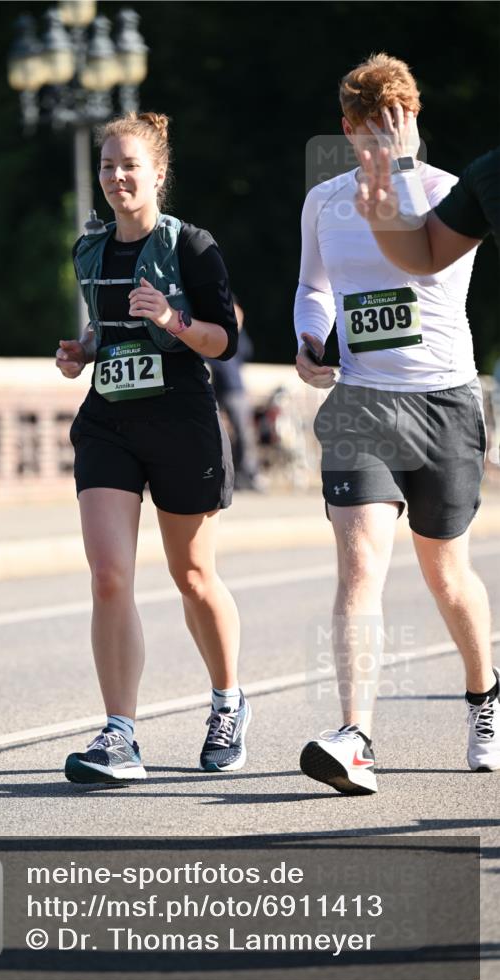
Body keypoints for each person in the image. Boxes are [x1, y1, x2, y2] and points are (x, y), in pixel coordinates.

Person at [294, 53, 499, 794]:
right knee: (358, 566)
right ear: (347, 129)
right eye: (371, 130)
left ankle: (483, 697)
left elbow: (424, 268)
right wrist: (310, 335)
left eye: (398, 125)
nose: (383, 140)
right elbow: (313, 286)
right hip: (361, 401)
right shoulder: (323, 202)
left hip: (443, 403)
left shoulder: (449, 192)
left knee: (446, 573)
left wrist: (403, 174)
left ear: (413, 121)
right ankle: (355, 735)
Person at [56, 111, 251, 785]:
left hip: (179, 417)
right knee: (109, 576)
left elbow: (223, 339)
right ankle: (119, 735)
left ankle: (227, 703)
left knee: (192, 577)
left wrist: (171, 319)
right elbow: (103, 325)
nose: (115, 176)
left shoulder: (191, 246)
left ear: (157, 174)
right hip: (108, 418)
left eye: (128, 165)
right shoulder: (89, 247)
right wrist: (83, 350)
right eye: (107, 165)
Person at [355, 132, 498, 273]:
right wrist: (381, 218)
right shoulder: (488, 172)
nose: (391, 136)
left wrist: (404, 165)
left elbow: (431, 277)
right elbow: (428, 258)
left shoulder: (445, 184)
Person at [208, 295, 264, 490]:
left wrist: (238, 328)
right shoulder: (210, 328)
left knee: (244, 433)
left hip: (235, 389)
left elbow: (246, 352)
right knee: (213, 434)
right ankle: (218, 474)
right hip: (214, 388)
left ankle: (247, 474)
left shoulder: (236, 333)